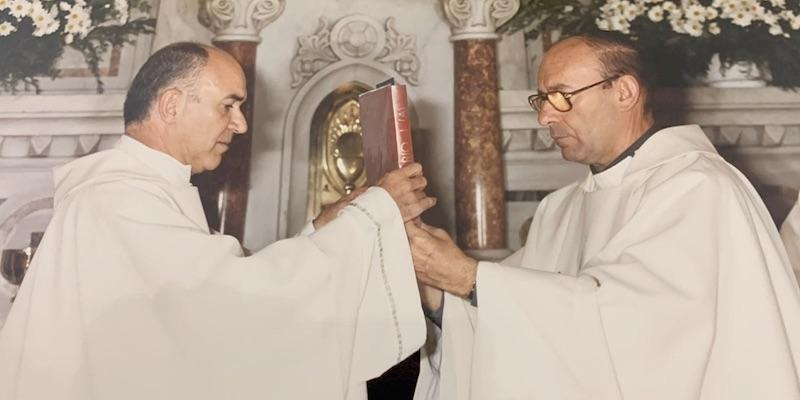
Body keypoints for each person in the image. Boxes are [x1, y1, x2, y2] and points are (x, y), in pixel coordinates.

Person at [0, 42, 437, 400]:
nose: (241, 124)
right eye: (228, 105)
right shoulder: (117, 200)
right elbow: (234, 308)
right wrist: (373, 213)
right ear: (171, 105)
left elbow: (217, 290)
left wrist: (324, 227)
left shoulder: (142, 191)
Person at [410, 32, 800, 399]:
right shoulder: (559, 209)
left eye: (562, 96)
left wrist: (467, 277)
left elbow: (640, 334)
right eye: (541, 99)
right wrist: (440, 290)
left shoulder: (699, 187)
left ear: (625, 92)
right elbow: (512, 324)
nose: (545, 117)